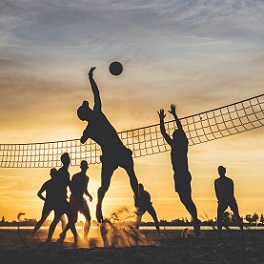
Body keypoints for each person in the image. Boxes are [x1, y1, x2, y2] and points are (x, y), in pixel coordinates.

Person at [77, 67, 140, 223]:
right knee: (129, 175)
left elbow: (82, 140)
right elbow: (96, 94)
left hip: (110, 155)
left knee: (107, 185)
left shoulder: (89, 128)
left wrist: (85, 134)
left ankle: (99, 204)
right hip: (117, 152)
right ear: (86, 113)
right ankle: (136, 198)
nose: (88, 106)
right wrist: (90, 78)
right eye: (86, 107)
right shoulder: (97, 113)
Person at [158, 104, 201, 237]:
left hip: (182, 174)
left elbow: (167, 132)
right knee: (185, 199)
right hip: (180, 175)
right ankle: (195, 218)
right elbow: (165, 133)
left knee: (186, 198)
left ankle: (195, 219)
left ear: (177, 137)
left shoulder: (180, 145)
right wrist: (169, 116)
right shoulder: (178, 145)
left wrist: (164, 118)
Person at [46, 153, 78, 243]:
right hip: (60, 200)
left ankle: (74, 238)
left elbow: (68, 184)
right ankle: (50, 239)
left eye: (69, 158)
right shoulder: (62, 172)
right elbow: (66, 185)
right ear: (64, 161)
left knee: (69, 220)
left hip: (62, 199)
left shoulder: (65, 172)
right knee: (61, 220)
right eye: (67, 159)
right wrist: (75, 194)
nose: (69, 160)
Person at [59, 160, 93, 241]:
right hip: (74, 198)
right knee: (74, 220)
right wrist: (77, 197)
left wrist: (89, 196)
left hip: (81, 198)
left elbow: (85, 190)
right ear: (81, 167)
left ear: (87, 167)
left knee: (88, 218)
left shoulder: (87, 178)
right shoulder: (76, 176)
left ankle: (85, 237)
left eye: (86, 166)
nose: (85, 168)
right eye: (83, 166)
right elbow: (72, 188)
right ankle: (63, 233)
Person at [31, 168, 66, 236]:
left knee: (62, 219)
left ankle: (63, 234)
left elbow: (39, 194)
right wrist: (45, 200)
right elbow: (39, 194)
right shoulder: (50, 183)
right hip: (51, 203)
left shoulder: (54, 183)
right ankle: (32, 234)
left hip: (54, 203)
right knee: (43, 219)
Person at [214, 165, 244, 237]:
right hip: (222, 200)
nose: (220, 172)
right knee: (219, 216)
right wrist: (220, 200)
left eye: (221, 171)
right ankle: (219, 232)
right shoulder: (216, 181)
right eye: (219, 171)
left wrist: (227, 200)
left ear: (224, 171)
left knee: (237, 214)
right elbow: (216, 192)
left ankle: (242, 231)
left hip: (230, 199)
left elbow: (231, 191)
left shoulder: (229, 181)